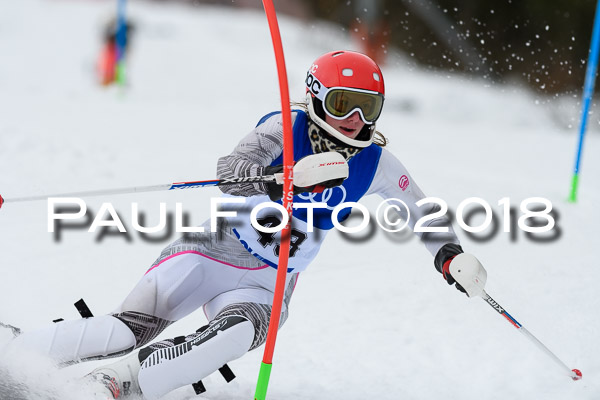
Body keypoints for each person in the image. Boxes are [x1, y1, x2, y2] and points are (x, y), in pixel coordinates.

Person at [7, 50, 485, 399]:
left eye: (368, 108)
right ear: (317, 97)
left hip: (268, 284)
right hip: (209, 251)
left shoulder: (376, 163)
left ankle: (119, 383)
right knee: (124, 331)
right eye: (343, 104)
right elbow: (229, 172)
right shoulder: (283, 126)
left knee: (233, 337)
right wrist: (276, 180)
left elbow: (423, 211)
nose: (356, 121)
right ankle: (16, 353)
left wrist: (450, 255)